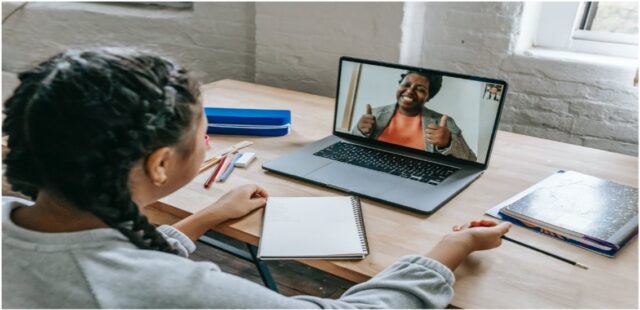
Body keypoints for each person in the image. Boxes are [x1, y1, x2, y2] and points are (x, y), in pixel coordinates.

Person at [2, 48, 511, 308]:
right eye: (204, 132)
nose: (207, 144)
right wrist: (448, 249)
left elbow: (108, 258)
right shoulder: (173, 290)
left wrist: (203, 219)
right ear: (159, 164)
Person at [351, 71, 477, 161]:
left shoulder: (444, 123)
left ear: (428, 97)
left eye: (420, 89)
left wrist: (448, 143)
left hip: (418, 177)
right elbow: (351, 147)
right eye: (406, 85)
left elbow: (471, 160)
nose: (410, 91)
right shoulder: (375, 114)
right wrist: (359, 131)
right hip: (373, 168)